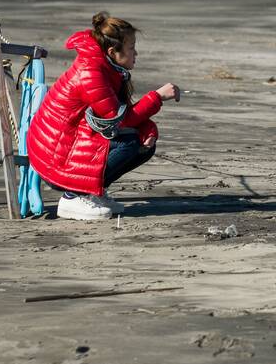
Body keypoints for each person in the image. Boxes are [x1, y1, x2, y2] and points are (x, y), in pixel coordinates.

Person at [28, 12, 180, 221]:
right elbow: (120, 120)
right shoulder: (92, 73)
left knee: (144, 144)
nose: (136, 53)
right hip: (53, 157)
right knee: (129, 143)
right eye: (131, 47)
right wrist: (157, 97)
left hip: (70, 144)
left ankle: (92, 192)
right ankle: (72, 196)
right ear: (112, 51)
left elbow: (121, 114)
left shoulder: (107, 67)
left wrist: (148, 130)